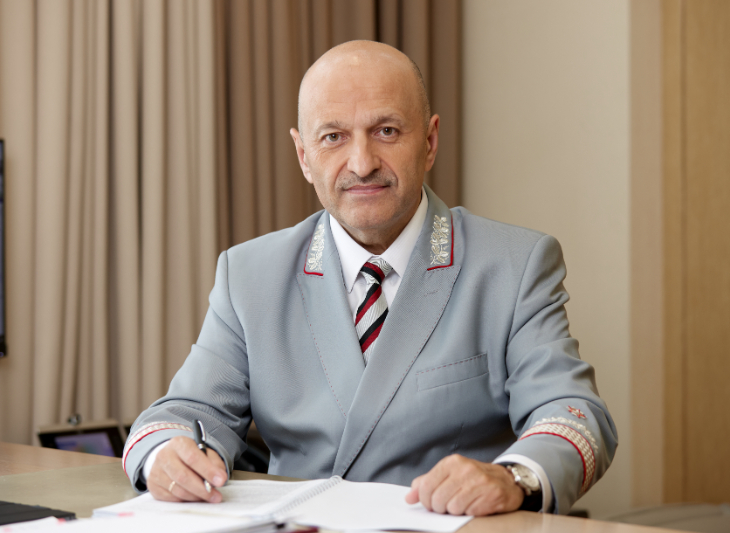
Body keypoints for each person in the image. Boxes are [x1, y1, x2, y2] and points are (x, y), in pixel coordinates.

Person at [122, 40, 617, 517]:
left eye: (386, 131)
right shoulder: (250, 274)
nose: (362, 164)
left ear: (429, 142)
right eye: (333, 137)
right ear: (303, 156)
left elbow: (574, 414)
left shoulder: (514, 264)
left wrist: (514, 478)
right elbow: (184, 413)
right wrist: (167, 455)